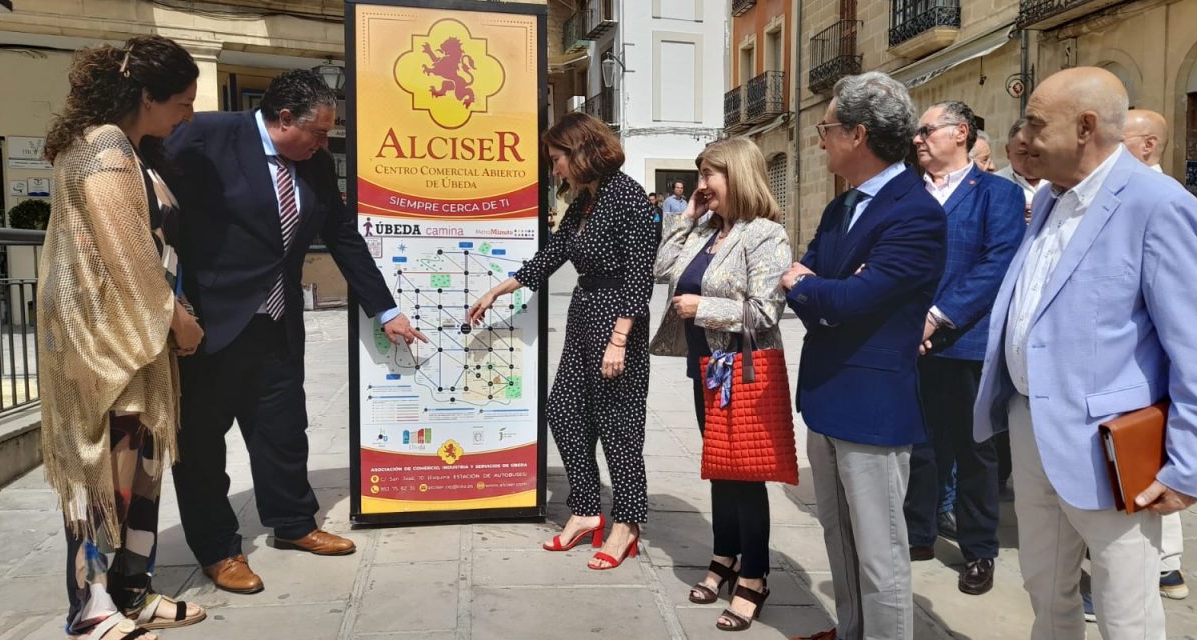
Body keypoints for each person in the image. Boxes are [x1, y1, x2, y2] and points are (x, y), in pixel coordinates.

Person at [972, 67, 1197, 640]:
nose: (1026, 137)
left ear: (1085, 127)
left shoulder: (1157, 204)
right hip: (1031, 424)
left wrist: (1189, 464)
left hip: (1111, 446)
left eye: (1037, 123)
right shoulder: (1049, 201)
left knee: (1125, 605)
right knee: (1045, 589)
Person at [164, 70, 427, 594]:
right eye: (318, 133)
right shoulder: (206, 135)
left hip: (277, 323)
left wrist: (385, 309)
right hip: (210, 327)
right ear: (284, 119)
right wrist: (170, 300)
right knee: (200, 448)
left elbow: (342, 236)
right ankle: (218, 549)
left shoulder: (315, 165)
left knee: (283, 432)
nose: (324, 144)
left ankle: (294, 524)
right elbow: (153, 211)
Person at [39, 35, 206, 640]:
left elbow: (149, 253)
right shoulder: (104, 150)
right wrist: (179, 319)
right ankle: (91, 608)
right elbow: (131, 257)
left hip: (132, 339)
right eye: (182, 101)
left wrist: (170, 317)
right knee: (101, 472)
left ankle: (132, 591)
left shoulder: (128, 150)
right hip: (103, 345)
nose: (188, 112)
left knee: (138, 469)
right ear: (146, 95)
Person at [785, 72, 946, 640]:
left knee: (881, 553)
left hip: (873, 405)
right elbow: (811, 286)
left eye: (827, 128)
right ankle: (850, 630)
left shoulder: (915, 213)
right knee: (840, 537)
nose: (819, 139)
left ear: (856, 134)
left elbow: (851, 297)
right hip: (827, 395)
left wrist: (815, 288)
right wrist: (819, 291)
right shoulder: (840, 208)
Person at [468, 112, 658, 571]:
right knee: (565, 410)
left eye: (556, 159)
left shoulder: (628, 197)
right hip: (584, 313)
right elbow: (554, 253)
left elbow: (640, 275)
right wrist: (501, 288)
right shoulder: (586, 200)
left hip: (618, 319)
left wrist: (619, 339)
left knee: (618, 424)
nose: (553, 168)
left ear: (580, 152)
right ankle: (586, 509)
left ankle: (627, 523)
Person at [650, 137, 791, 631]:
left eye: (710, 175)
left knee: (745, 473)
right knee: (718, 468)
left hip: (742, 369)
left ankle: (754, 575)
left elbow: (767, 310)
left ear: (738, 175)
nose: (702, 184)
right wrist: (686, 216)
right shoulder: (706, 229)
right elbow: (662, 267)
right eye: (701, 175)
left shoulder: (765, 235)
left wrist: (701, 308)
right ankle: (724, 555)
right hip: (704, 367)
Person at [904, 101, 1025, 595]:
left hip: (966, 342)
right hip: (909, 346)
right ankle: (919, 533)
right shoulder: (906, 191)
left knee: (976, 453)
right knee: (921, 446)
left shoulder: (997, 194)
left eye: (926, 130)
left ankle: (978, 550)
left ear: (959, 133)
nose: (917, 138)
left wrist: (935, 316)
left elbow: (996, 265)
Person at [1121, 107, 1189, 602]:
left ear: (1147, 146)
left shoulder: (1169, 201)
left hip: (1149, 367)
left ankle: (1164, 565)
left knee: (1149, 465)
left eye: (1119, 137)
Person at [996, 118, 1049, 224]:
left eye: (1036, 154)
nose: (1031, 160)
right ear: (1008, 151)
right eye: (1023, 153)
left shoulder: (1060, 180)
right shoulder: (995, 184)